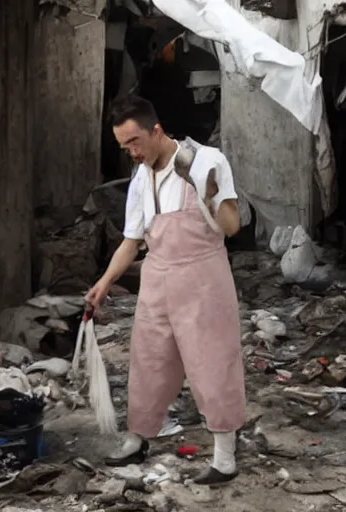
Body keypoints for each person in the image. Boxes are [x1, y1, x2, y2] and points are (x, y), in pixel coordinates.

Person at [85, 95, 246, 484]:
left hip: (203, 277)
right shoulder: (141, 176)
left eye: (135, 142)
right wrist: (103, 283)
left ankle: (224, 457)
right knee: (149, 360)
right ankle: (138, 439)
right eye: (124, 146)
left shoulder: (207, 160)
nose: (131, 153)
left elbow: (232, 226)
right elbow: (131, 239)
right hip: (157, 277)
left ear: (156, 131)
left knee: (212, 363)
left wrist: (205, 192)